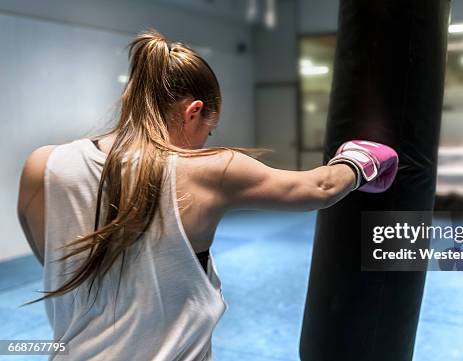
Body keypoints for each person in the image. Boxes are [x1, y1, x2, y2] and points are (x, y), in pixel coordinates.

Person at [16, 30, 398, 361]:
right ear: (193, 113)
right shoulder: (208, 170)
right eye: (208, 132)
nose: (204, 144)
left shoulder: (43, 165)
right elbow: (320, 187)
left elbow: (54, 258)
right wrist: (362, 160)